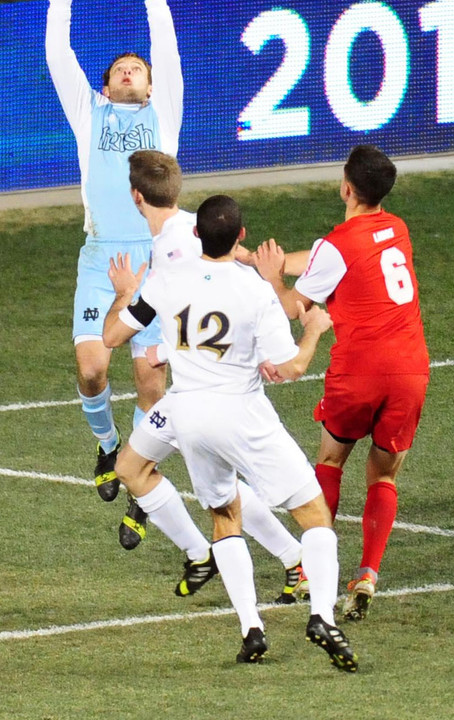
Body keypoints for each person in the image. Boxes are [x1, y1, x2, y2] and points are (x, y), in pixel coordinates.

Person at [103, 194, 359, 671]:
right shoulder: (253, 290)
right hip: (242, 414)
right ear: (241, 237)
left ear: (196, 234)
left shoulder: (165, 279)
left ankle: (252, 630)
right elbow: (289, 369)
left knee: (224, 516)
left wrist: (125, 290)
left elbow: (114, 337)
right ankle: (321, 615)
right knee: (314, 514)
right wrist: (315, 330)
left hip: (189, 417)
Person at [103, 149, 310, 605]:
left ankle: (290, 560)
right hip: (194, 388)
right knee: (133, 469)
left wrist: (126, 298)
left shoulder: (176, 247)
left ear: (136, 197)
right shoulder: (192, 227)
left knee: (219, 490)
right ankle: (207, 555)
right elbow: (236, 264)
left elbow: (116, 334)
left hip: (208, 392)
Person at [254, 144, 430, 623]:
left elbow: (293, 306)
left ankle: (315, 570)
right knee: (384, 473)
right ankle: (368, 573)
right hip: (411, 370)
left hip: (360, 370)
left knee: (331, 460)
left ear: (346, 188)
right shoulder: (396, 229)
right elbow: (322, 257)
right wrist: (257, 258)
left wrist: (270, 279)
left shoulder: (338, 246)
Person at [44, 0, 181, 538]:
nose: (131, 72)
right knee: (94, 368)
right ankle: (107, 444)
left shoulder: (164, 111)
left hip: (155, 261)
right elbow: (57, 57)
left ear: (151, 86)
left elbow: (168, 53)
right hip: (101, 257)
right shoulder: (89, 114)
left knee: (152, 380)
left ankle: (141, 483)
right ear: (105, 87)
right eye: (120, 70)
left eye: (139, 69)